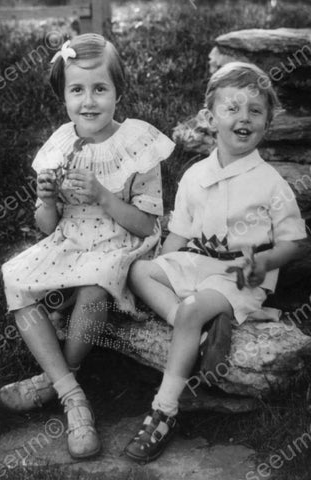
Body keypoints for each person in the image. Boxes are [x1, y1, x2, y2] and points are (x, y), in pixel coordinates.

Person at [0, 33, 175, 459]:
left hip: (120, 240)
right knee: (14, 277)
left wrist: (102, 195)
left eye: (100, 89)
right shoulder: (59, 144)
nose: (89, 101)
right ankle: (71, 392)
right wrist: (47, 199)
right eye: (77, 90)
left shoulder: (137, 143)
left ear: (118, 91)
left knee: (94, 287)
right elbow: (46, 226)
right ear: (63, 95)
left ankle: (59, 380)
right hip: (71, 238)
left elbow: (147, 222)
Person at [124, 61, 307, 463]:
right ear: (210, 118)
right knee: (138, 271)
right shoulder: (194, 175)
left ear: (268, 122)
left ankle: (164, 411)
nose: (244, 118)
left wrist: (263, 262)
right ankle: (200, 329)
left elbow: (294, 242)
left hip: (239, 276)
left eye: (255, 111)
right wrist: (163, 263)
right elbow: (180, 235)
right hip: (198, 263)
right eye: (232, 108)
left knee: (192, 308)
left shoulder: (270, 183)